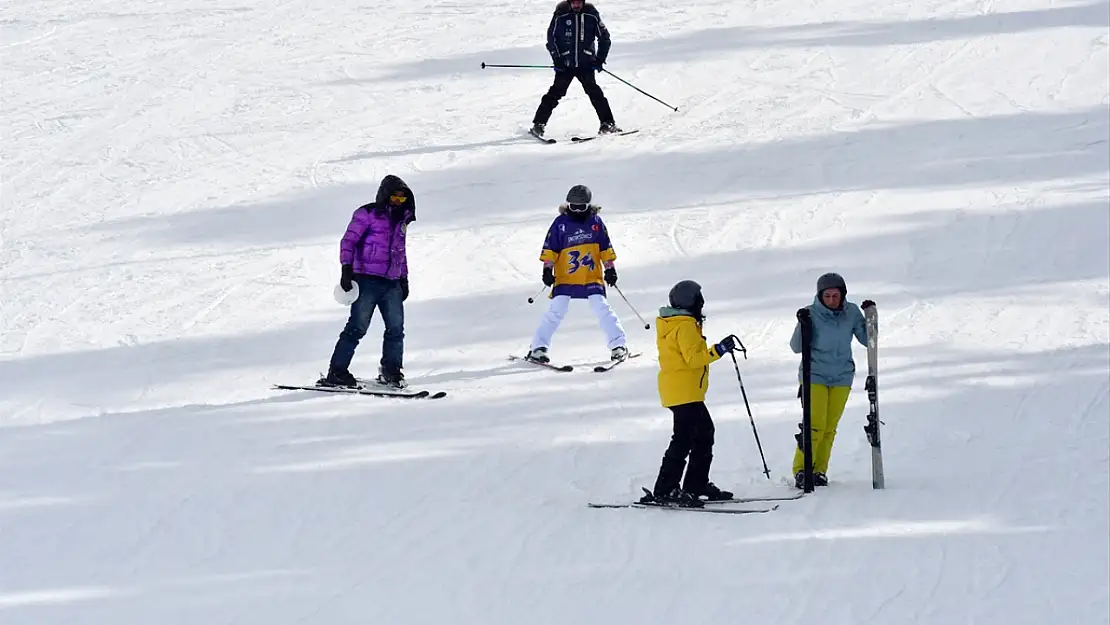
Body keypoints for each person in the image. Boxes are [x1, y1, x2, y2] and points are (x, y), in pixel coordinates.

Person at [640, 280, 738, 508]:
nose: (702, 304)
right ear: (692, 302)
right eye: (699, 300)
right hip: (684, 391)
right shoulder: (683, 325)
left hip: (682, 390)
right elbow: (693, 359)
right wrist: (719, 350)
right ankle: (665, 489)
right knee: (684, 439)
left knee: (704, 434)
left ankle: (695, 485)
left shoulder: (674, 322)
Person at [320, 174, 415, 389]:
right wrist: (346, 269)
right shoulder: (367, 214)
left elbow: (401, 251)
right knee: (357, 327)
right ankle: (337, 371)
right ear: (385, 195)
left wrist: (404, 277)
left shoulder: (402, 220)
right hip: (366, 280)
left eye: (402, 199)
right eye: (394, 197)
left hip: (391, 282)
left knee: (396, 329)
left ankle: (391, 372)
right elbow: (348, 241)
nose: (398, 202)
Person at [789, 272, 874, 488]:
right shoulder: (811, 313)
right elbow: (796, 347)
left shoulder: (851, 312)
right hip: (814, 374)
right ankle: (802, 469)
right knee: (814, 425)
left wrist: (871, 317)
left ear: (843, 295)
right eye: (827, 296)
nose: (831, 300)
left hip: (842, 376)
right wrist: (802, 324)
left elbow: (868, 341)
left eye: (835, 296)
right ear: (820, 296)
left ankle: (819, 471)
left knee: (829, 427)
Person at [527, 184, 628, 363]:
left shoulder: (596, 223)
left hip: (590, 275)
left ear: (588, 206)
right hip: (566, 276)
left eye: (581, 207)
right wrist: (547, 270)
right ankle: (538, 347)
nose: (577, 210)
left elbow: (605, 247)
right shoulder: (560, 224)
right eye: (573, 206)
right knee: (556, 311)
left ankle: (618, 345)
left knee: (602, 309)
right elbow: (551, 248)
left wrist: (610, 268)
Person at [529, 0, 622, 139]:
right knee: (554, 93)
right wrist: (557, 60)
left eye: (579, 3)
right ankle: (538, 124)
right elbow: (551, 40)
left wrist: (599, 59)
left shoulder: (591, 14)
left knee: (595, 94)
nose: (576, 6)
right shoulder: (561, 15)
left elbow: (605, 38)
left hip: (586, 64)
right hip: (565, 65)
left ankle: (607, 124)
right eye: (574, 3)